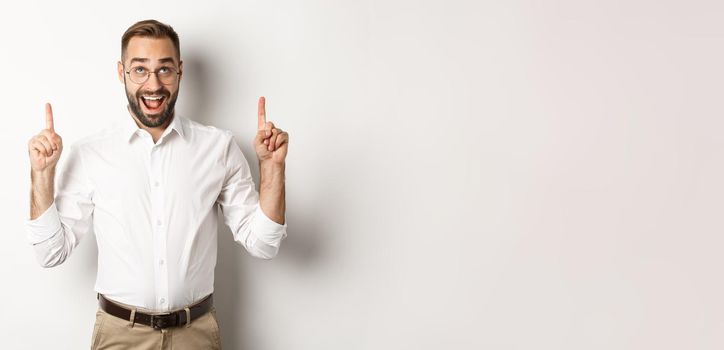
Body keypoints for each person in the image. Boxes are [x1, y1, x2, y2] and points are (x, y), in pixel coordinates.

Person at [25, 19, 289, 349]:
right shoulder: (90, 153)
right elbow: (51, 252)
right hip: (120, 335)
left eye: (164, 69)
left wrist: (272, 169)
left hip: (197, 334)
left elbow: (263, 244)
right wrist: (42, 174)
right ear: (121, 73)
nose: (153, 84)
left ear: (179, 71)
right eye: (140, 70)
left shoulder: (218, 148)